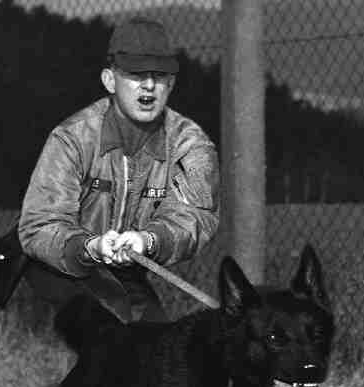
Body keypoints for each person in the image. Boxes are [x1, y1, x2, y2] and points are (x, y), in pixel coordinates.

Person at [17, 18, 219, 323]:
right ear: (110, 80)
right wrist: (90, 246)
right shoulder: (72, 138)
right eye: (136, 74)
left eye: (160, 75)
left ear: (172, 83)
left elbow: (194, 218)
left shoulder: (191, 145)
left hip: (127, 270)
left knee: (154, 346)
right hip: (61, 264)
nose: (149, 85)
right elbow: (39, 225)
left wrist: (148, 240)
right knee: (101, 334)